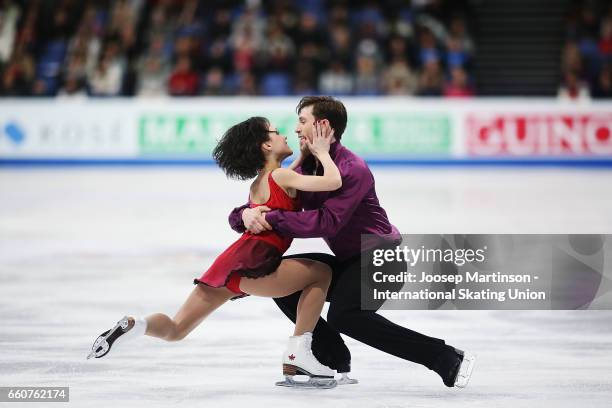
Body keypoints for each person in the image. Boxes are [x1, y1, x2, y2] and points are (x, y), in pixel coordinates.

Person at [228, 96, 476, 388]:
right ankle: (330, 358)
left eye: (303, 121)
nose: (296, 129)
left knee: (346, 316)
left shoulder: (351, 169)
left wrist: (273, 220)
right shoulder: (306, 168)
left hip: (384, 259)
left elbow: (327, 221)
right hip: (349, 261)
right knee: (278, 280)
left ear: (323, 126)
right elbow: (266, 202)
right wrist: (244, 215)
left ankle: (444, 357)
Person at [87, 116, 344, 389]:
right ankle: (298, 353)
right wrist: (322, 153)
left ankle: (135, 324)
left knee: (176, 329)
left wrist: (303, 155)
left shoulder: (260, 183)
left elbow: (284, 178)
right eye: (277, 132)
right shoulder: (282, 177)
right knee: (321, 273)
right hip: (256, 262)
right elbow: (333, 181)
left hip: (229, 264)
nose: (284, 135)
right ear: (266, 145)